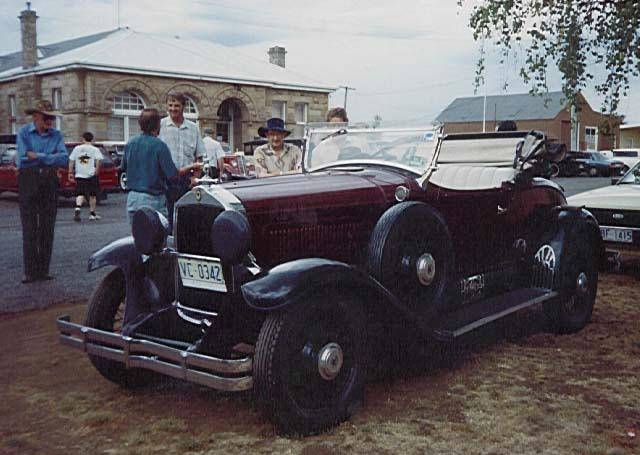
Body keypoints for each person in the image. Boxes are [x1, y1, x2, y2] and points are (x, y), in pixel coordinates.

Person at [16, 99, 69, 283]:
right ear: (36, 117)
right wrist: (50, 158)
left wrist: (38, 156)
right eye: (46, 117)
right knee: (29, 228)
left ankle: (43, 270)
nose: (49, 121)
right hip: (28, 180)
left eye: (51, 118)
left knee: (47, 228)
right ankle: (30, 272)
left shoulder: (56, 135)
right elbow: (22, 159)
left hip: (49, 181)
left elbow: (63, 159)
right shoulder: (23, 133)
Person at [122, 108, 201, 224]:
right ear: (157, 125)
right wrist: (191, 167)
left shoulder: (131, 143)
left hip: (132, 198)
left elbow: (124, 166)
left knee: (138, 238)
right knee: (157, 238)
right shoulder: (159, 146)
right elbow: (173, 175)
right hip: (152, 199)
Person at [159, 92, 206, 224]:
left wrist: (195, 178)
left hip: (187, 181)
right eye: (170, 105)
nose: (173, 109)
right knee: (167, 219)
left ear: (183, 107)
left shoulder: (193, 128)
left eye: (177, 105)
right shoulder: (160, 126)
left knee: (186, 218)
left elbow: (200, 156)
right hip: (165, 181)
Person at [68, 131, 102, 221]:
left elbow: (71, 160)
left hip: (80, 174)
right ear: (92, 139)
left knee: (80, 193)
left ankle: (78, 208)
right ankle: (92, 214)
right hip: (91, 174)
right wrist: (97, 170)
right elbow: (98, 160)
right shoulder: (95, 149)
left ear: (83, 139)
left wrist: (70, 172)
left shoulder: (77, 148)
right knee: (92, 195)